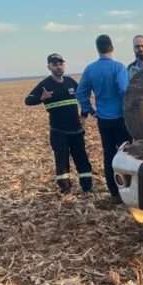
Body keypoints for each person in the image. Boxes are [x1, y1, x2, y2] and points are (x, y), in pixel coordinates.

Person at [25, 53, 93, 193]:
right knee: (61, 162)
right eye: (54, 64)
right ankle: (65, 189)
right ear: (49, 67)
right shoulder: (45, 84)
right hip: (58, 131)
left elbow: (83, 96)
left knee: (82, 159)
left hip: (76, 130)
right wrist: (41, 97)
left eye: (60, 63)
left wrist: (84, 115)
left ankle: (87, 187)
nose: (58, 67)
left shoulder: (70, 82)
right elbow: (28, 100)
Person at [76, 35, 130, 204]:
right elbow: (123, 90)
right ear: (112, 47)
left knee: (109, 155)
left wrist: (90, 110)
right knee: (127, 154)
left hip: (104, 120)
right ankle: (128, 191)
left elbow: (80, 92)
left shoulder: (90, 69)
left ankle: (114, 194)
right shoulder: (119, 67)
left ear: (97, 49)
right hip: (121, 119)